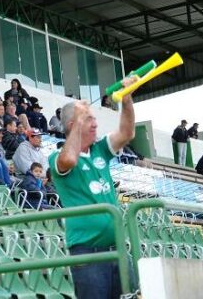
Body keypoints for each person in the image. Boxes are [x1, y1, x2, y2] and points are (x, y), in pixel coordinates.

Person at [48, 76, 137, 299]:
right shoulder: (56, 156)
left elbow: (127, 133)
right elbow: (68, 160)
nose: (95, 124)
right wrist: (78, 121)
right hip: (88, 254)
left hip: (117, 249)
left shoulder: (99, 149)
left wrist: (126, 100)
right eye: (89, 119)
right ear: (73, 125)